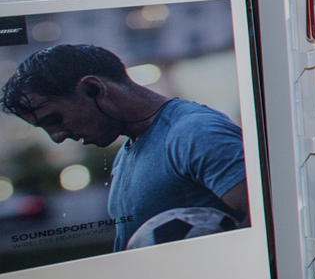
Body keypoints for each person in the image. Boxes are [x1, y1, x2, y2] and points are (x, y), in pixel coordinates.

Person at [2, 44, 249, 252]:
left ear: (93, 89)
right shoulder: (125, 155)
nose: (56, 137)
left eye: (54, 120)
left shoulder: (193, 132)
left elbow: (270, 217)